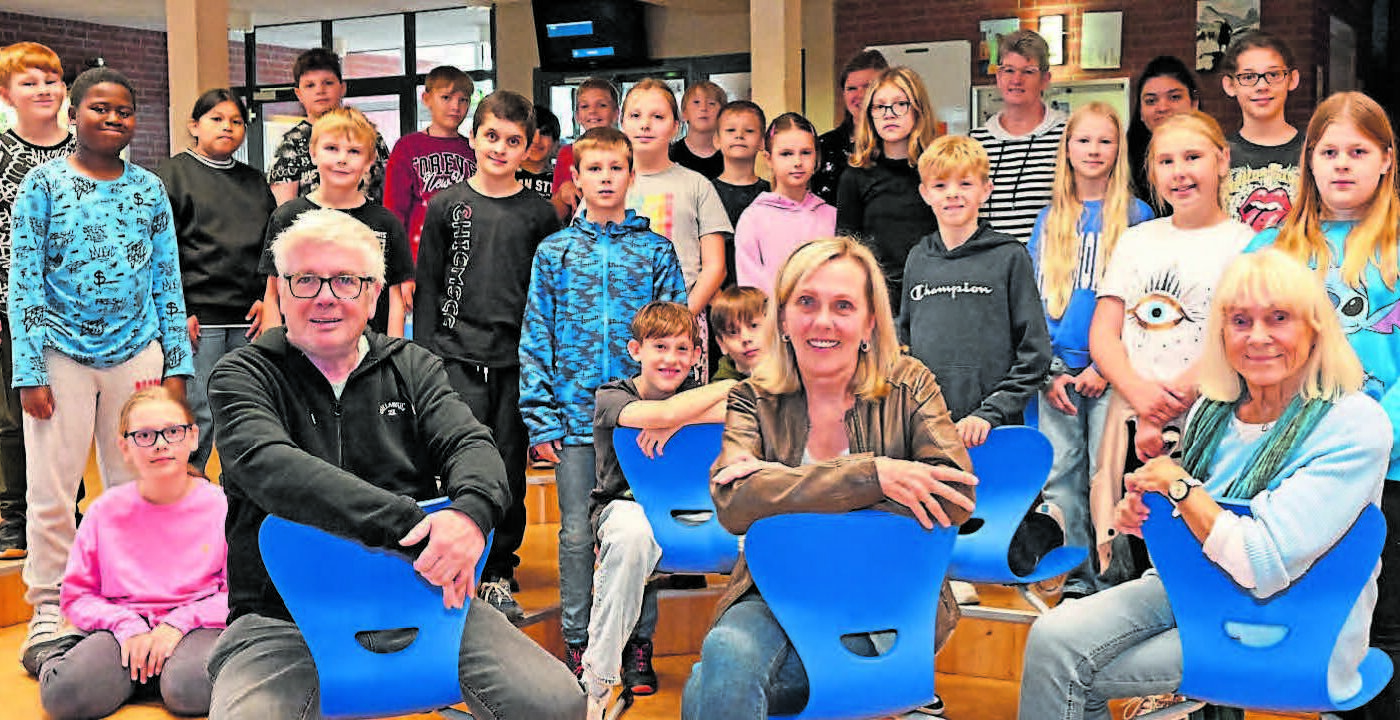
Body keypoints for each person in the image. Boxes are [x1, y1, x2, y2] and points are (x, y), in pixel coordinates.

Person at [205, 208, 583, 719]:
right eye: (305, 280)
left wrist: (470, 514)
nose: (324, 296)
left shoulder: (413, 365)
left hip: (424, 594)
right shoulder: (243, 374)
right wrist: (419, 527)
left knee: (556, 705)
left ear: (373, 292)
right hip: (282, 617)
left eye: (344, 280)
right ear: (280, 290)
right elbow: (273, 469)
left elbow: (473, 446)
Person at [1019, 248, 1392, 720]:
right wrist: (1145, 518)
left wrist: (1179, 489)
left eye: (1279, 318)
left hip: (1298, 624)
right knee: (1051, 637)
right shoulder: (1214, 409)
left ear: (1316, 327)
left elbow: (1261, 563)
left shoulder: (1353, 422)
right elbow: (1193, 537)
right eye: (1239, 321)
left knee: (1069, 668)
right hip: (1193, 592)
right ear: (1220, 333)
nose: (1258, 337)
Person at [680, 237, 978, 720]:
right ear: (782, 317)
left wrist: (784, 483)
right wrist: (873, 475)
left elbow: (956, 494)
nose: (822, 321)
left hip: (886, 596)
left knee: (709, 687)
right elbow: (736, 503)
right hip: (777, 593)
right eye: (806, 302)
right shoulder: (750, 398)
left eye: (843, 306)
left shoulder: (910, 382)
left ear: (869, 321)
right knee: (728, 655)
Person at [10, 67, 195, 672]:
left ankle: (131, 596)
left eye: (123, 111)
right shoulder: (43, 183)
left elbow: (169, 278)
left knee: (136, 485)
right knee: (53, 488)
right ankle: (51, 606)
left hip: (137, 352)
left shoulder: (148, 189)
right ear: (73, 112)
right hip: (59, 355)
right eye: (99, 108)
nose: (112, 119)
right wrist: (29, 368)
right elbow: (24, 282)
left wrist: (176, 365)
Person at [1247, 90, 1400, 720]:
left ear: (1387, 159)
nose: (1343, 164)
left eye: (1359, 151)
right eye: (1329, 151)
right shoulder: (1268, 250)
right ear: (1307, 160)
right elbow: (1239, 356)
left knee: (1384, 627)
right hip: (1293, 473)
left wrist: (1371, 438)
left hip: (1389, 471)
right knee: (1312, 619)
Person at [518, 125, 687, 677]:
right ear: (576, 179)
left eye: (616, 168)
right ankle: (578, 640)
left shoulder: (656, 250)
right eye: (595, 169)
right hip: (573, 419)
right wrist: (540, 417)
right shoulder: (555, 252)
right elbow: (536, 332)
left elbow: (681, 332)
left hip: (643, 420)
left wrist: (674, 409)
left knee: (642, 529)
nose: (606, 178)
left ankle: (638, 642)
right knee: (574, 533)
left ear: (632, 176)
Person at [1088, 111, 1253, 584]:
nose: (1179, 172)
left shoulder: (1248, 244)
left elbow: (1240, 333)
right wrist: (1141, 396)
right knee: (1138, 539)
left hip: (1210, 419)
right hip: (1134, 420)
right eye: (1166, 161)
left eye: (1193, 157)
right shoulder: (1137, 241)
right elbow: (1104, 333)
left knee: (1198, 547)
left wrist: (1179, 393)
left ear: (1222, 161)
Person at [416, 91, 561, 622]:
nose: (500, 148)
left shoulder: (540, 214)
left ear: (529, 148)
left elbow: (548, 297)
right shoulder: (445, 206)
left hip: (516, 365)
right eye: (491, 136)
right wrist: (426, 362)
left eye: (514, 141)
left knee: (507, 470)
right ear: (473, 138)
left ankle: (498, 569)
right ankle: (458, 563)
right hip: (454, 359)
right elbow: (430, 286)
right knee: (457, 467)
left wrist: (545, 367)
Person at [585, 302, 737, 718]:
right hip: (627, 509)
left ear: (696, 356)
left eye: (682, 349)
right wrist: (675, 415)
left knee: (768, 531)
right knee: (631, 536)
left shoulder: (691, 395)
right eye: (660, 346)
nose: (671, 358)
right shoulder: (611, 395)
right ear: (636, 350)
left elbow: (753, 401)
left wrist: (674, 419)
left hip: (699, 511)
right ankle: (597, 683)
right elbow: (657, 412)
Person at [37, 386, 226, 719]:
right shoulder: (103, 512)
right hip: (123, 626)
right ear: (124, 447)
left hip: (197, 625)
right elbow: (77, 595)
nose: (161, 444)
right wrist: (127, 627)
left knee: (190, 690)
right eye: (145, 435)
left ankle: (150, 674)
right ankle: (69, 649)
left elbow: (237, 591)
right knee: (63, 694)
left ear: (193, 437)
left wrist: (178, 624)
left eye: (173, 431)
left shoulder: (222, 507)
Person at [1028, 102, 1154, 598]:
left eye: (1105, 141)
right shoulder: (1050, 217)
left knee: (1110, 475)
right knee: (1062, 473)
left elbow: (1142, 303)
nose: (1094, 150)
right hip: (1056, 369)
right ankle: (1076, 575)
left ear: (1118, 149)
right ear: (1067, 149)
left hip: (1113, 368)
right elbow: (1036, 302)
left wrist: (1107, 365)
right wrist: (1047, 373)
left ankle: (1111, 578)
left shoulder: (1136, 216)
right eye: (1083, 140)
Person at [156, 88, 277, 474]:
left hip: (249, 319)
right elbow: (162, 249)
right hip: (197, 321)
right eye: (216, 119)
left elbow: (271, 244)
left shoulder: (255, 181)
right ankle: (185, 494)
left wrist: (266, 298)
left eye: (236, 121)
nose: (227, 127)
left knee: (243, 409)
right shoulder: (169, 175)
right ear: (194, 125)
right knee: (198, 412)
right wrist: (181, 310)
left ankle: (239, 496)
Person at [0, 41, 75, 560]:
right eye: (29, 82)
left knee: (69, 414)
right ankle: (14, 516)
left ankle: (69, 510)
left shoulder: (86, 149)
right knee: (13, 416)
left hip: (78, 308)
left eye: (50, 79)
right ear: (7, 94)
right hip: (12, 307)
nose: (43, 89)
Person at [257, 107, 411, 338]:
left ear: (370, 161)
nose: (342, 159)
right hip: (300, 350)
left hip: (369, 354)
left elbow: (395, 299)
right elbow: (272, 294)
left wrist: (394, 357)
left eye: (354, 151)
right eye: (331, 148)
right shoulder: (287, 218)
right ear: (313, 153)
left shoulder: (386, 224)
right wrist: (272, 355)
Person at [620, 78, 732, 381]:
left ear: (676, 126)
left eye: (657, 117)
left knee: (684, 413)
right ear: (622, 123)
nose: (645, 125)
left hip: (685, 319)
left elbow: (715, 267)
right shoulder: (608, 182)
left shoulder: (697, 185)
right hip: (622, 321)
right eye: (635, 116)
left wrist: (683, 317)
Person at [835, 66, 938, 317]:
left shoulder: (936, 169)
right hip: (879, 300)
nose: (889, 114)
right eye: (879, 106)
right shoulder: (855, 176)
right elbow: (848, 249)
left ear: (917, 109)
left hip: (934, 293)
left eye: (900, 104)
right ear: (869, 115)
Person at [969, 30, 1066, 243]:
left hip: (1047, 269)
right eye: (1008, 70)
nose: (1016, 80)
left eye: (1028, 72)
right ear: (998, 76)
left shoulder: (1068, 136)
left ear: (1045, 79)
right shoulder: (976, 142)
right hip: (991, 269)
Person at [266, 47, 391, 205]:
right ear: (299, 94)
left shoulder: (370, 136)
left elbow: (391, 191)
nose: (320, 90)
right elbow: (284, 210)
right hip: (315, 228)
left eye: (328, 83)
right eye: (310, 85)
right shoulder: (291, 144)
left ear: (342, 88)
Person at [383, 64, 477, 262]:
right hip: (420, 260)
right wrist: (398, 268)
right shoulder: (407, 147)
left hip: (468, 259)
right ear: (427, 99)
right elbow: (394, 210)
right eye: (446, 98)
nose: (456, 107)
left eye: (463, 100)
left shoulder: (474, 150)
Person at [736, 112, 836, 296]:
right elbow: (751, 290)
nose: (797, 162)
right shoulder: (753, 219)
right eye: (786, 154)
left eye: (806, 153)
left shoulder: (832, 216)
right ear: (769, 159)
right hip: (771, 321)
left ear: (816, 157)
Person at [1221, 31, 1303, 232]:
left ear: (1292, 79)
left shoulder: (1315, 151)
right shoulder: (1216, 154)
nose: (1262, 86)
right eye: (1248, 77)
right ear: (1230, 85)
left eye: (1273, 75)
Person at [812, 49, 888, 204]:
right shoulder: (823, 146)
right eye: (851, 88)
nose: (859, 95)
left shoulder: (900, 145)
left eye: (868, 87)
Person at [1126, 56, 1201, 207]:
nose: (1162, 108)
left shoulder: (1216, 155)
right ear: (1140, 112)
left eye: (1174, 97)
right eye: (1151, 101)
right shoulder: (1122, 164)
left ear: (1194, 103)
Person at [711, 100, 770, 291]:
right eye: (730, 130)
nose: (739, 135)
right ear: (717, 140)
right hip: (717, 298)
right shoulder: (704, 193)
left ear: (762, 142)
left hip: (763, 296)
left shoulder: (771, 194)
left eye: (749, 131)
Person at [552, 77, 620, 221]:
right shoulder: (567, 154)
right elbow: (556, 213)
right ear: (577, 116)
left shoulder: (628, 151)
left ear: (616, 113)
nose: (593, 112)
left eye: (601, 105)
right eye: (585, 106)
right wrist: (563, 194)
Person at [670, 80, 727, 179]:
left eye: (711, 103)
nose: (703, 108)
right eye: (696, 102)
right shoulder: (671, 155)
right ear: (684, 113)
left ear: (723, 114)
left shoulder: (731, 155)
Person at [710, 286, 768, 381]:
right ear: (721, 344)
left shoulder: (794, 368)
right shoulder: (720, 390)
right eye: (733, 332)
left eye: (754, 326)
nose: (745, 338)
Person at [518, 104, 561, 201]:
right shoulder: (502, 175)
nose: (536, 140)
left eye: (544, 133)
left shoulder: (563, 181)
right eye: (530, 132)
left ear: (556, 144)